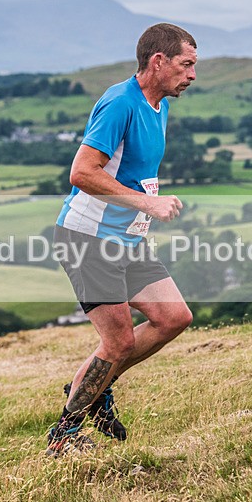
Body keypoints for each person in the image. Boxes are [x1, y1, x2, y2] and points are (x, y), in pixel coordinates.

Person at [46, 23, 198, 456]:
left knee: (174, 317)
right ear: (158, 61)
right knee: (118, 342)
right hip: (87, 239)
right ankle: (65, 435)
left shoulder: (159, 105)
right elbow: (81, 173)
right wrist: (147, 205)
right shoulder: (119, 103)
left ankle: (96, 386)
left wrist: (142, 209)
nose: (191, 75)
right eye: (186, 65)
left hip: (126, 240)